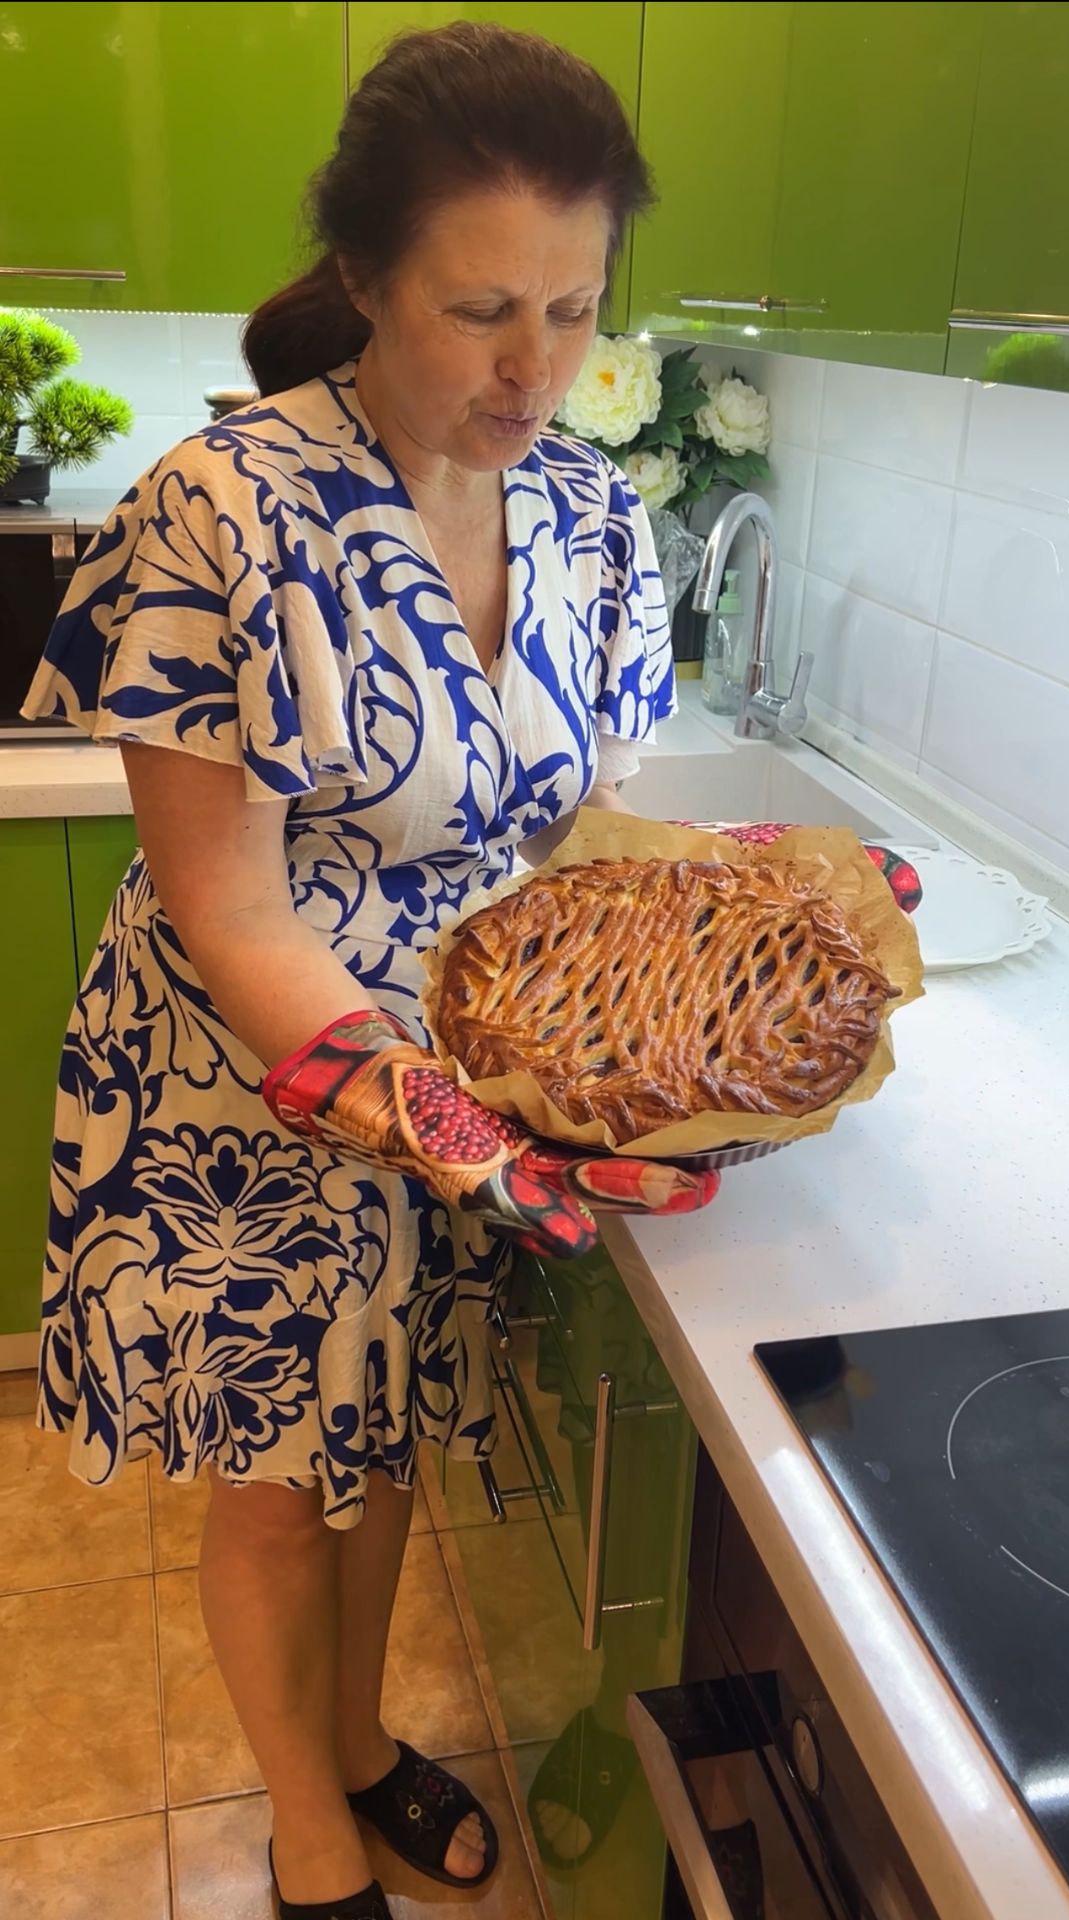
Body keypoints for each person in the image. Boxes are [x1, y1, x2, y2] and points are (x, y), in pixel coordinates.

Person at [22, 23, 717, 1920]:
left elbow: (579, 831)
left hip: (464, 1084)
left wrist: (676, 984)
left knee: (386, 1429)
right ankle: (310, 1831)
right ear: (361, 277)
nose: (532, 369)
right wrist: (431, 1115)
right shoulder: (224, 508)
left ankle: (352, 1741)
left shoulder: (592, 516)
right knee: (271, 1480)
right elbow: (232, 908)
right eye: (479, 310)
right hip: (247, 1085)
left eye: (572, 310)